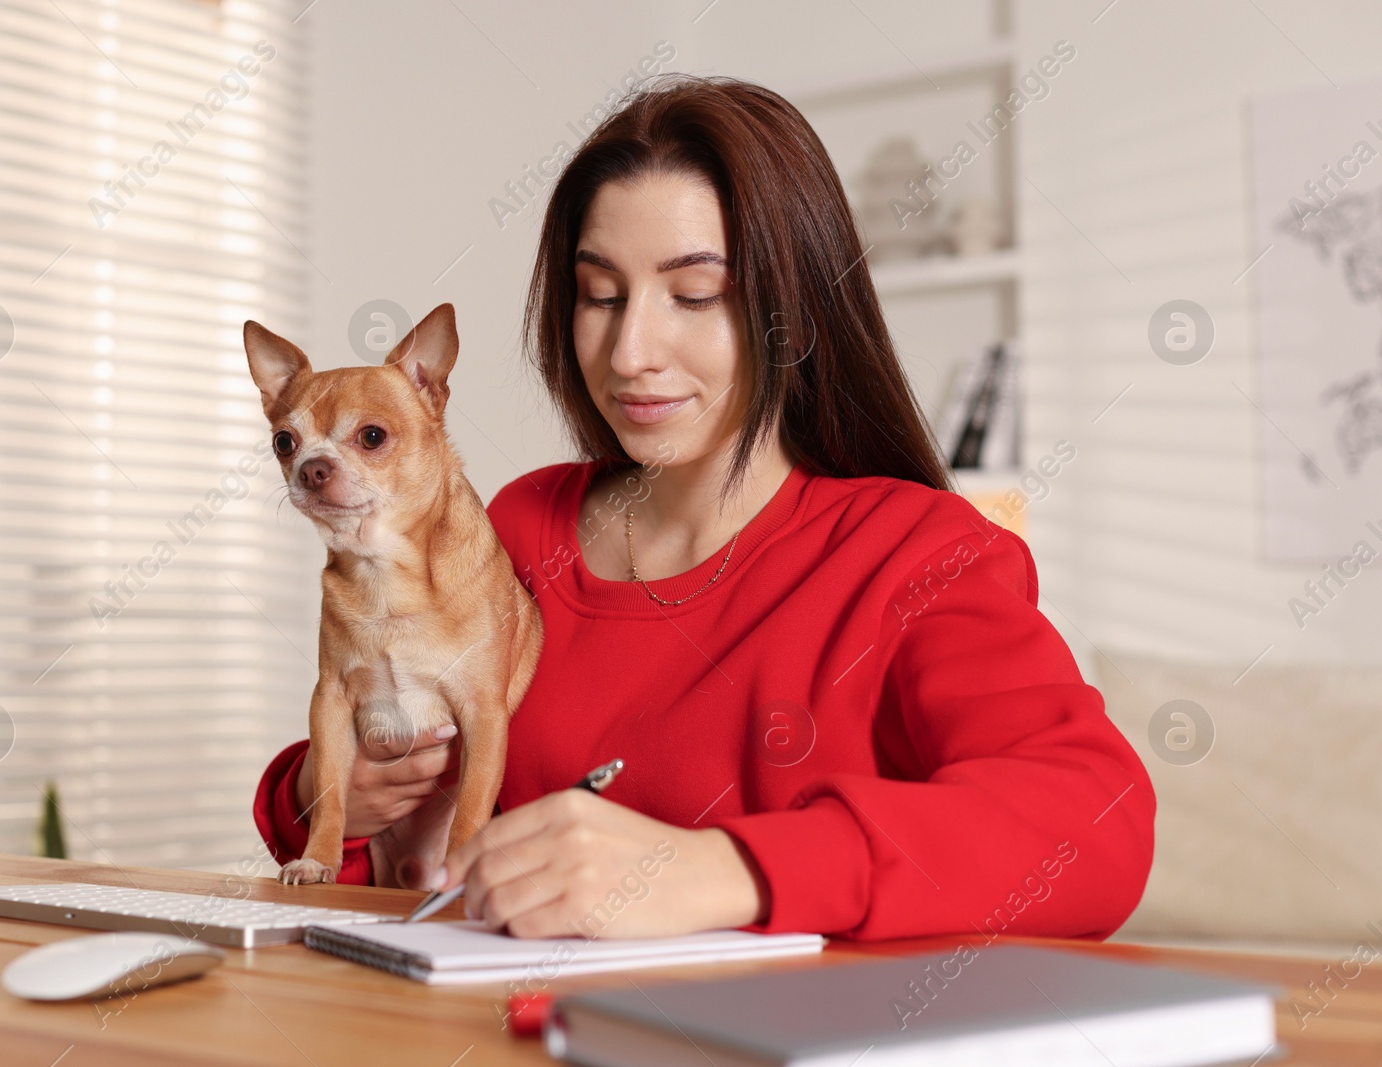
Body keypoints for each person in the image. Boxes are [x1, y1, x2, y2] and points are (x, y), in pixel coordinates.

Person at [254, 74, 1155, 941]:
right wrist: (329, 797)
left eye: (695, 294)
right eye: (600, 295)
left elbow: (1094, 825)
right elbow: (388, 843)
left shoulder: (916, 551)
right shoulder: (515, 529)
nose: (632, 349)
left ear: (791, 316)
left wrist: (722, 869)